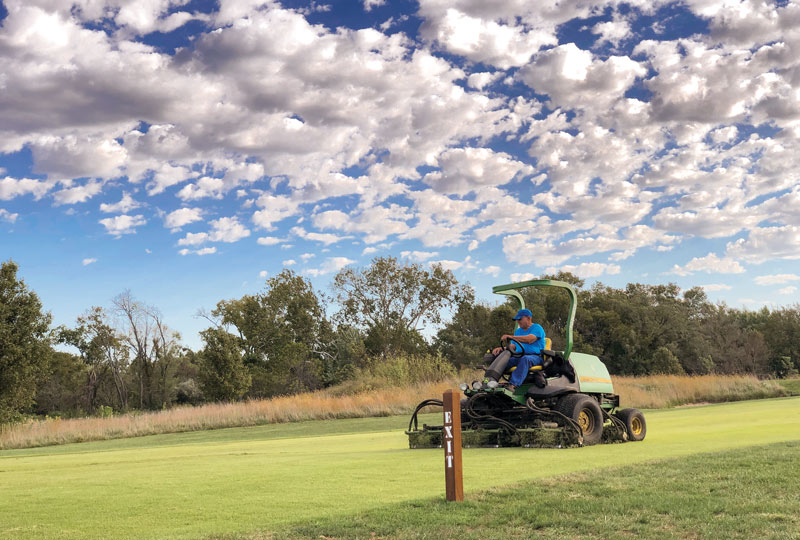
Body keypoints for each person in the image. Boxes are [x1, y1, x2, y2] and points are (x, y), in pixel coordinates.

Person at [483, 308, 547, 392]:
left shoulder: (537, 328)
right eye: (517, 320)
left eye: (520, 319)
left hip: (535, 357)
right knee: (504, 361)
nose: (518, 322)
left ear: (528, 318)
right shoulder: (518, 331)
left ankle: (513, 384)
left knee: (526, 359)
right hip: (519, 356)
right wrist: (502, 349)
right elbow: (513, 346)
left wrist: (510, 336)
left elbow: (529, 339)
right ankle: (489, 383)